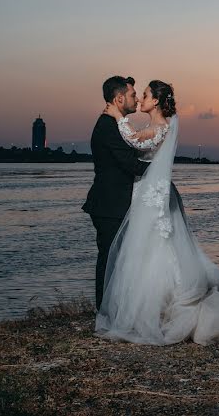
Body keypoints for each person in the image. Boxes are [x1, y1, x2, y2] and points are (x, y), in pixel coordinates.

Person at [94, 80, 219, 345]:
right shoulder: (154, 126)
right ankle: (154, 306)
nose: (140, 98)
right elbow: (136, 144)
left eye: (144, 95)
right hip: (150, 193)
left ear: (155, 101)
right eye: (136, 94)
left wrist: (117, 116)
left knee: (156, 249)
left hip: (152, 195)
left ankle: (159, 309)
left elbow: (131, 140)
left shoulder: (160, 127)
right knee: (153, 249)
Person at [82, 76, 149, 309]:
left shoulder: (115, 124)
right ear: (119, 98)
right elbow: (133, 165)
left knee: (118, 260)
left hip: (115, 204)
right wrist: (161, 165)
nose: (136, 99)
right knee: (109, 261)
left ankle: (116, 309)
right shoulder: (108, 127)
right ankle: (105, 313)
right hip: (109, 206)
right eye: (132, 95)